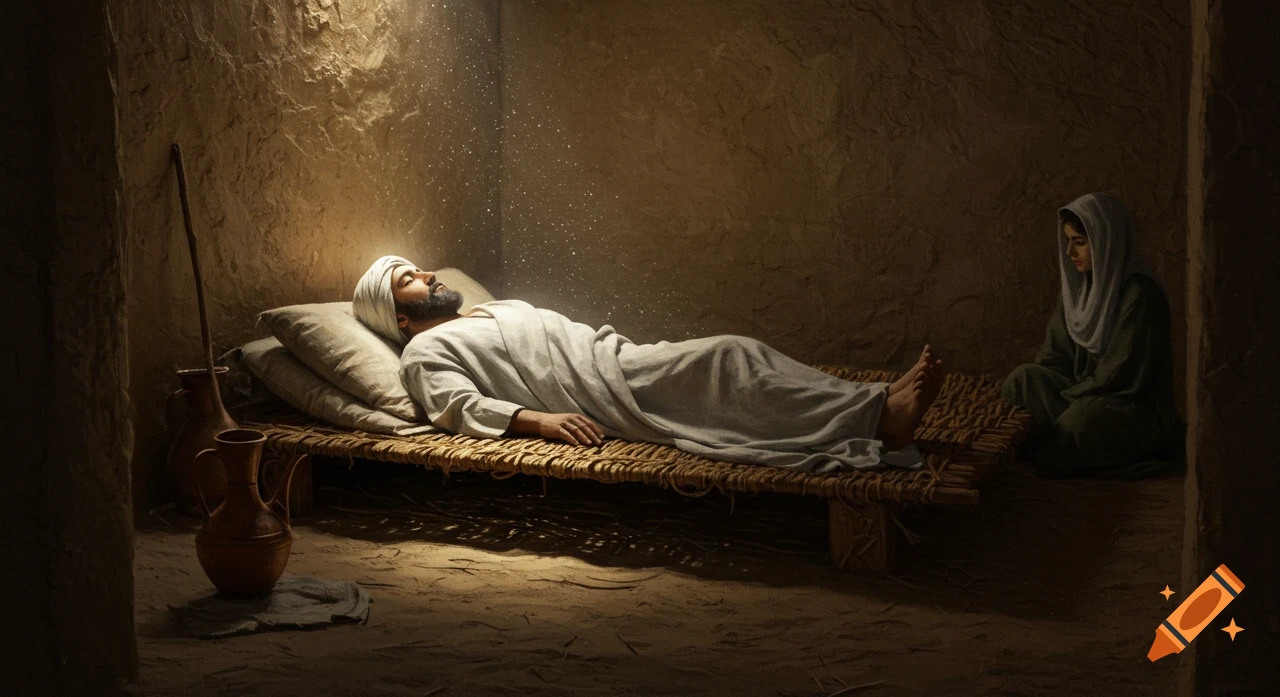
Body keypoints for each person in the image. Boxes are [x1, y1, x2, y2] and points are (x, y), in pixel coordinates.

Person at [352, 255, 944, 473]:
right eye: (409, 280)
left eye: (420, 269)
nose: (427, 276)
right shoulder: (425, 352)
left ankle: (870, 403)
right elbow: (457, 407)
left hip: (615, 358)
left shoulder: (484, 311)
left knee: (736, 361)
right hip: (605, 390)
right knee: (728, 357)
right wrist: (540, 421)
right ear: (398, 318)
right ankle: (877, 418)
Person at [1001, 193, 1184, 478]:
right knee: (1021, 381)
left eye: (1080, 242)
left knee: (1079, 423)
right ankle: (1055, 445)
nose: (1069, 253)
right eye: (1068, 241)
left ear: (1105, 242)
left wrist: (1069, 398)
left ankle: (1055, 448)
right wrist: (1049, 389)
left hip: (1129, 407)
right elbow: (1054, 355)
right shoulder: (1078, 291)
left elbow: (1121, 375)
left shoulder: (1140, 293)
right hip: (1081, 395)